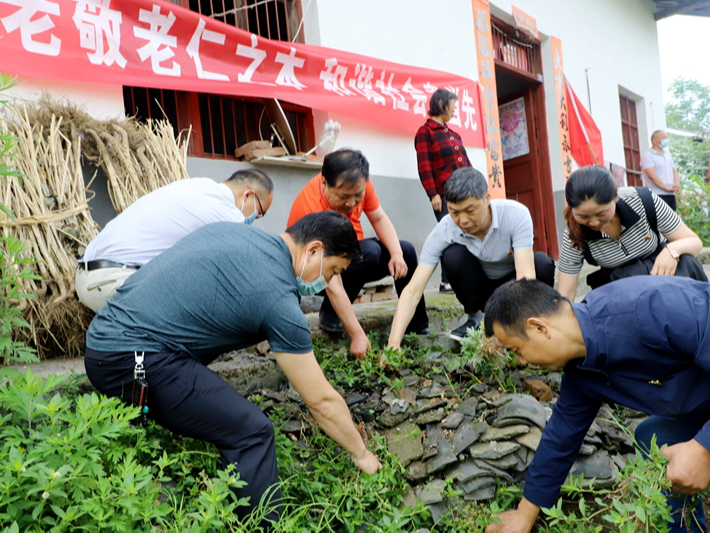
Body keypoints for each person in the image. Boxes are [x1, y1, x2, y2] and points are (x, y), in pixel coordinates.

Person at [84, 211, 382, 524]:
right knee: (251, 431)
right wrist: (361, 455)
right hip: (129, 359)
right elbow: (321, 402)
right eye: (334, 270)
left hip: (112, 338)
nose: (330, 282)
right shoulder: (278, 298)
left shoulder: (240, 234)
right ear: (314, 250)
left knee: (228, 414)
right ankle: (265, 527)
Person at [483, 276, 710, 533]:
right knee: (653, 436)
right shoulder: (582, 371)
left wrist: (703, 448)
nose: (521, 362)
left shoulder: (648, 308)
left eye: (516, 350)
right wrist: (524, 515)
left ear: (539, 328)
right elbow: (560, 439)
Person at [387, 167, 555, 346]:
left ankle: (531, 322)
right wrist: (393, 343)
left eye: (470, 210)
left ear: (487, 198)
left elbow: (525, 278)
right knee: (453, 256)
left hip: (511, 286)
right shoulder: (445, 228)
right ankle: (476, 319)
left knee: (542, 264)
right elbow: (413, 290)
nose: (463, 220)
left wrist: (515, 332)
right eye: (455, 212)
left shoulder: (515, 215)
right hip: (480, 288)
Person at [287, 148, 429, 360]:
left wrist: (396, 255)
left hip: (348, 258)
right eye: (344, 197)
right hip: (316, 275)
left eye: (358, 196)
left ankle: (418, 328)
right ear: (324, 183)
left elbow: (379, 218)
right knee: (369, 253)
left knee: (405, 251)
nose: (352, 203)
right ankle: (331, 314)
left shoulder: (361, 184)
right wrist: (357, 334)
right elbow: (332, 282)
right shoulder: (313, 210)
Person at [76, 169, 274, 312]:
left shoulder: (199, 185)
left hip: (89, 275)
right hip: (112, 279)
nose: (254, 219)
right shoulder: (229, 214)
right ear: (248, 195)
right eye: (259, 213)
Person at [557, 165, 706, 301]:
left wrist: (672, 250)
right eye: (583, 216)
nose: (594, 222)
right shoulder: (574, 234)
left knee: (687, 262)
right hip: (624, 289)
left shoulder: (643, 201)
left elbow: (693, 241)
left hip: (662, 271)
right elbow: (566, 294)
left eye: (601, 213)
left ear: (615, 196)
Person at [415, 88, 472, 292]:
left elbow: (466, 162)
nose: (455, 110)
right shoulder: (425, 132)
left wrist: (476, 186)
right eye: (452, 106)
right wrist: (433, 194)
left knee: (465, 234)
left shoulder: (453, 134)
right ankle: (446, 281)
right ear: (441, 104)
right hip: (445, 195)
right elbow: (424, 166)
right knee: (450, 234)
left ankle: (460, 277)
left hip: (465, 193)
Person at [641, 130, 680, 211]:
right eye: (664, 138)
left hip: (671, 194)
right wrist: (666, 187)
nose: (666, 139)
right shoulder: (648, 156)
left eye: (667, 137)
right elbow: (651, 174)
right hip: (657, 194)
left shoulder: (667, 155)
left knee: (672, 220)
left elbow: (674, 171)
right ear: (654, 141)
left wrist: (676, 184)